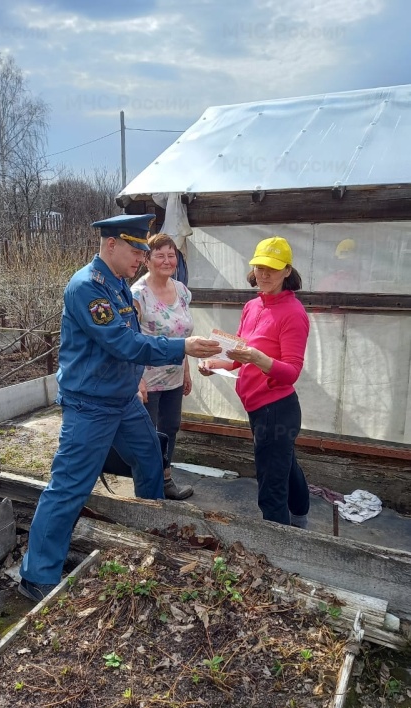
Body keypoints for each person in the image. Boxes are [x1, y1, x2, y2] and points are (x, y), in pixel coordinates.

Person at [18, 214, 221, 602]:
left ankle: (150, 536)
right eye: (136, 250)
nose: (141, 258)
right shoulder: (86, 288)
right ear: (111, 244)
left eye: (144, 250)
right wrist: (182, 347)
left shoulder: (119, 286)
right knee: (69, 488)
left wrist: (143, 376)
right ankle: (37, 574)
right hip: (91, 405)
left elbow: (132, 338)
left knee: (149, 460)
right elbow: (124, 345)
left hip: (123, 399)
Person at [199, 236, 310, 529]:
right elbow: (237, 358)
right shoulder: (252, 306)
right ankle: (301, 516)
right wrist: (213, 363)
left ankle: (278, 549)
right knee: (283, 463)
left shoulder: (293, 313)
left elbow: (291, 373)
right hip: (258, 407)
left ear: (287, 270)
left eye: (272, 268)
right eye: (260, 267)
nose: (264, 274)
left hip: (276, 408)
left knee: (271, 484)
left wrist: (260, 358)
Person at [131, 233, 194, 500]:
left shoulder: (181, 290)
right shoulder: (138, 294)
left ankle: (166, 480)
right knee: (149, 434)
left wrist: (187, 370)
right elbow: (129, 340)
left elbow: (184, 336)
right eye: (160, 254)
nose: (167, 260)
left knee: (170, 428)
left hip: (175, 376)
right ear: (147, 260)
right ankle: (148, 488)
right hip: (148, 378)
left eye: (172, 255)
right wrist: (136, 379)